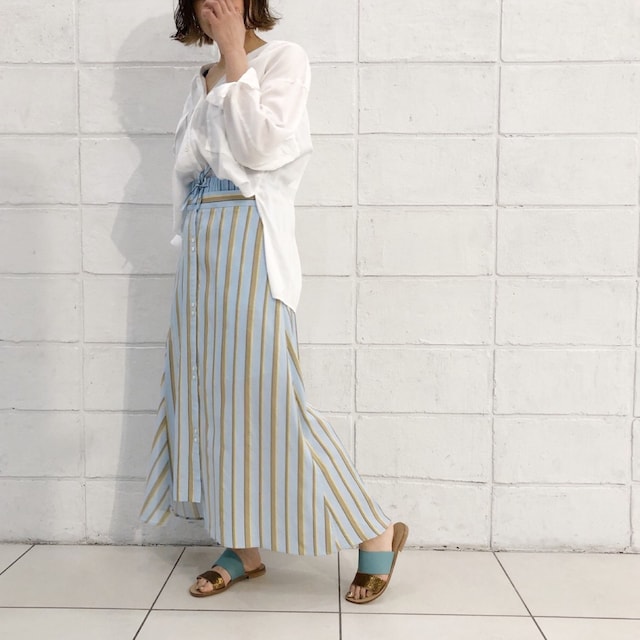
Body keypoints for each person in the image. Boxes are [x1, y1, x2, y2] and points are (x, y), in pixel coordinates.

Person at [138, 0, 408, 604]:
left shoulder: (283, 59)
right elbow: (188, 170)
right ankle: (243, 546)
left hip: (251, 239)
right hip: (202, 244)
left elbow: (260, 148)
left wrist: (236, 51)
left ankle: (375, 530)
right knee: (209, 393)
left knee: (272, 393)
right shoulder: (202, 76)